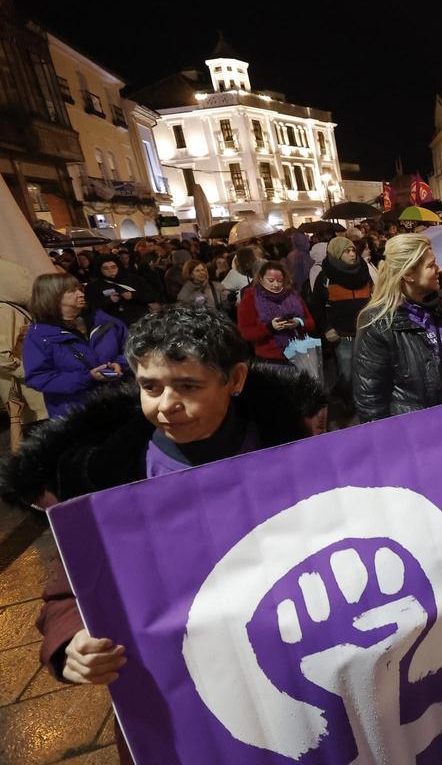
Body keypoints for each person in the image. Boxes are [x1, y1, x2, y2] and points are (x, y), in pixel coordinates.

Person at [0, 305, 325, 765]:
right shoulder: (104, 472)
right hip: (180, 692)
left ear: (234, 380)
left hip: (294, 666)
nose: (165, 404)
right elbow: (70, 583)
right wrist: (71, 640)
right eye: (150, 386)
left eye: (187, 386)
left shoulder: (290, 450)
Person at [352, 234, 442, 419]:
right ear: (408, 275)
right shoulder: (377, 325)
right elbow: (370, 403)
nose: (440, 269)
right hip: (419, 434)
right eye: (431, 265)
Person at [22, 273, 127, 418]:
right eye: (72, 291)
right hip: (75, 414)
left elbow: (131, 349)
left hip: (118, 403)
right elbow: (39, 377)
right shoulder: (39, 335)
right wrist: (87, 378)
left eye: (79, 289)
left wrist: (120, 364)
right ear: (52, 297)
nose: (81, 294)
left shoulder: (104, 320)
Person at [311, 236, 373, 388]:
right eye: (347, 251)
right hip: (342, 336)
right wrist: (326, 328)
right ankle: (348, 406)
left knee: (368, 372)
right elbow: (316, 305)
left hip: (366, 332)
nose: (352, 254)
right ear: (337, 254)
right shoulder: (325, 277)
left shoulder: (363, 271)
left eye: (353, 250)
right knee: (347, 374)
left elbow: (373, 297)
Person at [0, 261, 48, 446]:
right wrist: (28, 372)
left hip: (30, 386)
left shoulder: (12, 307)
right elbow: (2, 355)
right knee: (33, 434)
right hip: (26, 389)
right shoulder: (4, 310)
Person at [236, 260, 316, 366]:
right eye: (271, 280)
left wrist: (298, 323)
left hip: (300, 355)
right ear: (260, 279)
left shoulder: (292, 295)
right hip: (270, 360)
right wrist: (269, 328)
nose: (276, 284)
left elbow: (311, 323)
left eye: (280, 280)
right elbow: (245, 333)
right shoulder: (251, 299)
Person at [84, 254, 159, 327]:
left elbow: (151, 295)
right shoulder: (93, 287)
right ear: (99, 269)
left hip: (139, 322)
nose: (110, 270)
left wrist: (133, 295)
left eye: (113, 267)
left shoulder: (133, 279)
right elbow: (91, 307)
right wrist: (108, 300)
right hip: (113, 326)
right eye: (105, 268)